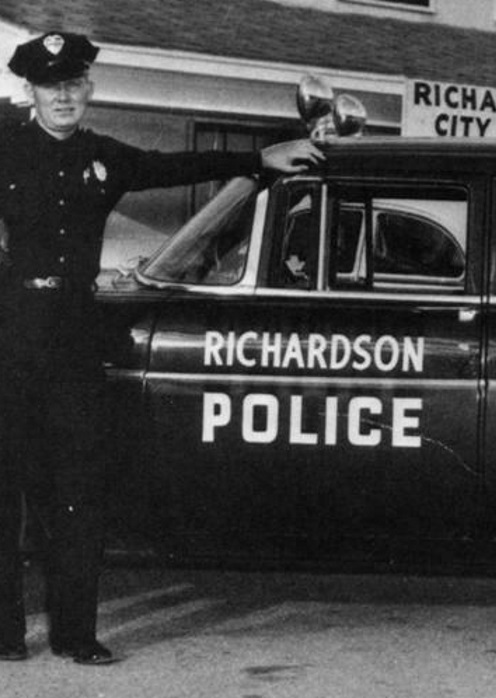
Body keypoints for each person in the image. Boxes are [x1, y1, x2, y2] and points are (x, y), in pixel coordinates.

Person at [0, 31, 324, 666]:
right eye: (50, 86)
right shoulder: (3, 147)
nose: (63, 96)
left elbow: (176, 166)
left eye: (73, 85)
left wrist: (262, 160)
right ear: (29, 92)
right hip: (8, 336)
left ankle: (74, 633)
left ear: (89, 90)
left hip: (73, 338)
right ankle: (5, 635)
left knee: (77, 493)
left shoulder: (104, 156)